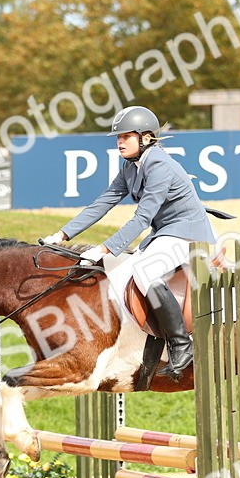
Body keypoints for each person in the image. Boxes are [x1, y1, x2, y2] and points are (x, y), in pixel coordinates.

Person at [41, 105, 215, 380]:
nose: (119, 142)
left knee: (145, 272)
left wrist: (103, 248)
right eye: (117, 137)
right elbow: (103, 203)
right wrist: (62, 235)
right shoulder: (130, 166)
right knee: (119, 272)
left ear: (145, 138)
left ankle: (182, 345)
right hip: (163, 233)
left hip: (187, 233)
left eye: (125, 136)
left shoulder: (159, 165)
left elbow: (142, 218)